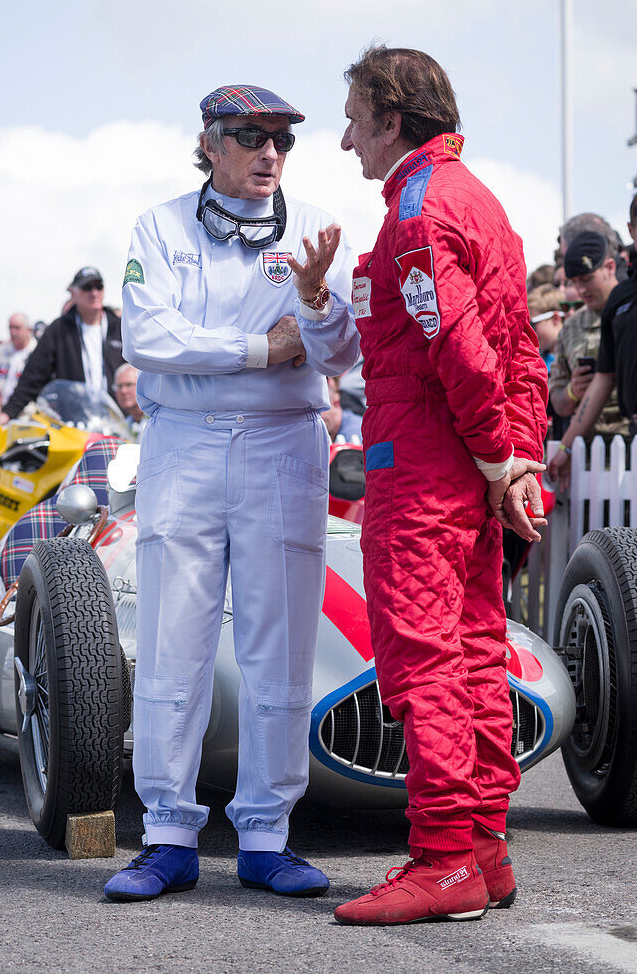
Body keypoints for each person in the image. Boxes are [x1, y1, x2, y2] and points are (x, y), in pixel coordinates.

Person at [103, 83, 359, 903]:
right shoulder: (160, 225)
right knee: (172, 639)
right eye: (250, 137)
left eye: (282, 141)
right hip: (181, 445)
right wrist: (260, 348)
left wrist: (313, 305)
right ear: (208, 142)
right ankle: (167, 834)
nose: (269, 154)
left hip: (283, 447)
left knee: (277, 647)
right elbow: (149, 337)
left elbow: (338, 351)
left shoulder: (317, 228)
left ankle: (266, 835)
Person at [333, 46, 547, 927]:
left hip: (421, 466)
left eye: (353, 119)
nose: (345, 140)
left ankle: (443, 858)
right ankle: (485, 851)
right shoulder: (481, 200)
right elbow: (521, 349)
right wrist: (517, 460)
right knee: (472, 658)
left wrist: (500, 456)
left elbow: (458, 347)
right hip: (467, 465)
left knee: (424, 662)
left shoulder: (416, 212)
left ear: (391, 118)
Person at [549, 183, 637, 487]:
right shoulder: (622, 298)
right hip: (628, 448)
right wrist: (565, 445)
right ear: (631, 231)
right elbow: (604, 378)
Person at [0, 267, 124, 423]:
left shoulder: (120, 327)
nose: (94, 293)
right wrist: (8, 413)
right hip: (75, 423)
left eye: (98, 287)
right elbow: (33, 376)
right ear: (74, 293)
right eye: (87, 287)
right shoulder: (59, 330)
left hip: (118, 421)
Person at [548, 231, 627, 438]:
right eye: (574, 282)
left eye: (586, 278)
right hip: (586, 447)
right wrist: (573, 390)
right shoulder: (571, 327)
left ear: (610, 267)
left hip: (636, 439)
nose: (581, 290)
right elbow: (557, 401)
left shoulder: (634, 311)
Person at [0, 313, 36, 402]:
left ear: (28, 330)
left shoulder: (36, 353)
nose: (13, 332)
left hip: (24, 410)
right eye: (10, 327)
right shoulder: (0, 351)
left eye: (17, 328)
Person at [527, 285, 564, 371]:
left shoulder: (571, 356)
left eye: (532, 324)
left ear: (555, 318)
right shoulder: (537, 360)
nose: (530, 332)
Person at [112, 363, 146, 439]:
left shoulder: (157, 421)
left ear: (143, 386)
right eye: (119, 386)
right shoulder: (121, 428)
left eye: (129, 385)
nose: (123, 391)